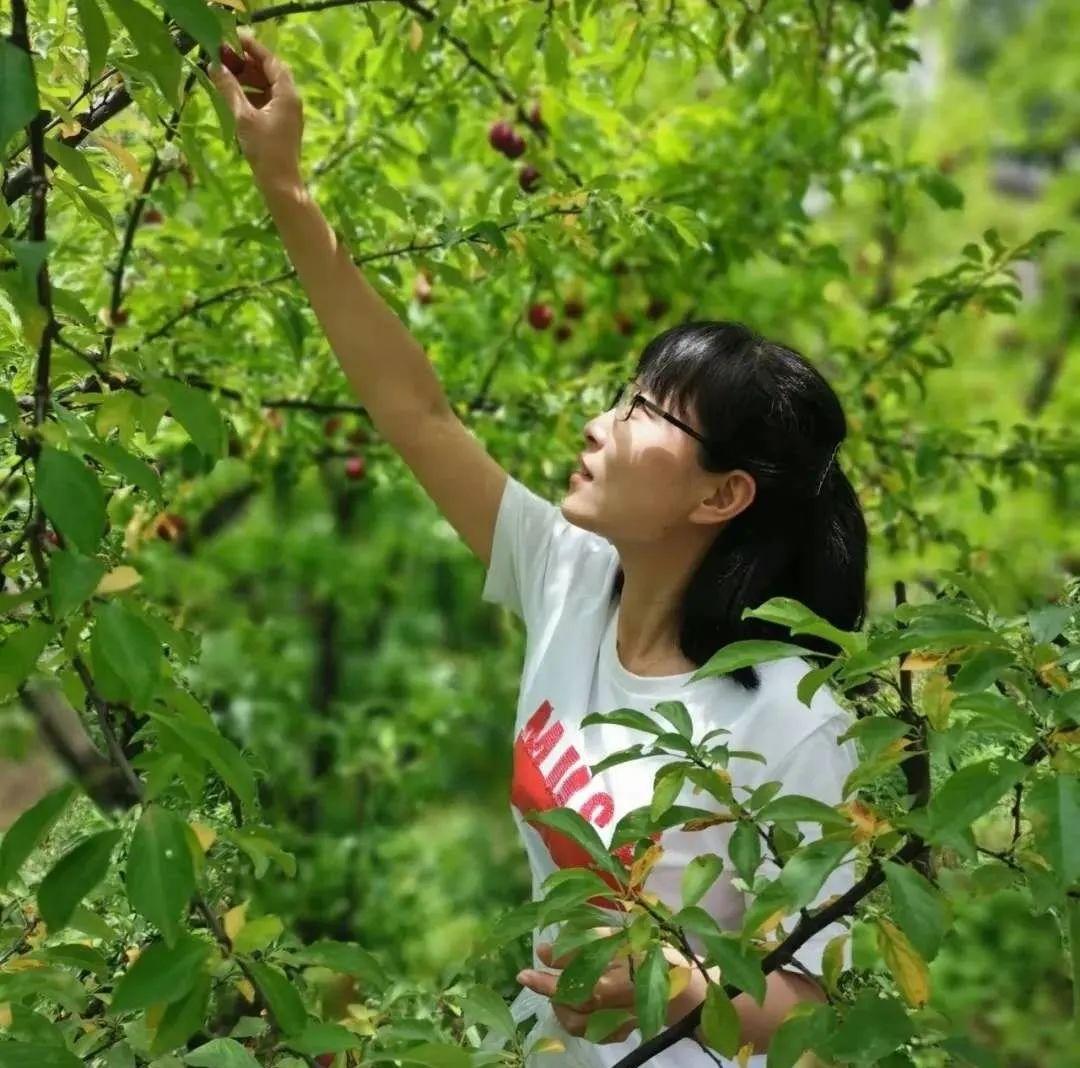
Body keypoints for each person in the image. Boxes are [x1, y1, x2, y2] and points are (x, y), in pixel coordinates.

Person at [209, 33, 868, 1068]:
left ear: (723, 494)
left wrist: (680, 989)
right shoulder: (571, 578)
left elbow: (828, 1010)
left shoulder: (793, 718)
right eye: (622, 393)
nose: (601, 424)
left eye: (647, 413)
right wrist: (285, 183)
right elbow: (413, 413)